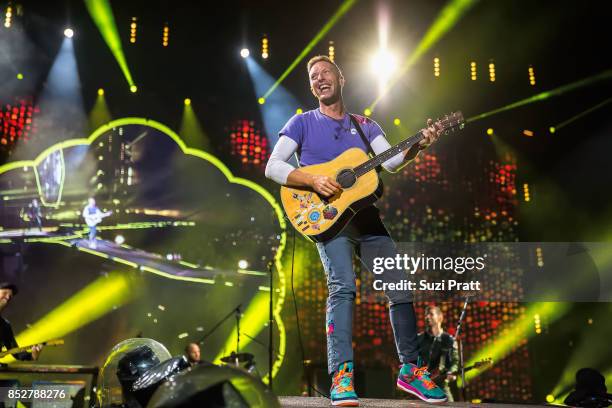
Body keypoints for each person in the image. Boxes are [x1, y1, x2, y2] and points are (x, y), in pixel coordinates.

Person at [265, 55, 445, 406]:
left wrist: (420, 143)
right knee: (343, 289)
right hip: (327, 217)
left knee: (399, 285)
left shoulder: (365, 125)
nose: (319, 79)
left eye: (325, 73)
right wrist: (314, 178)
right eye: (313, 76)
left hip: (365, 218)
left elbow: (390, 162)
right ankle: (342, 375)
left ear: (341, 78)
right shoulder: (301, 123)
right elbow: (273, 166)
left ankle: (411, 370)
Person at [418, 305, 459, 401]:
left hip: (440, 385)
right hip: (421, 387)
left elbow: (455, 361)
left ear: (440, 317)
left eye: (431, 314)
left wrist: (451, 372)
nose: (427, 317)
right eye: (426, 315)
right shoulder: (419, 339)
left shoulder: (449, 340)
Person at [0, 282, 43, 361]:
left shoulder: (5, 326)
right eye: (4, 293)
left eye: (10, 297)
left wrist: (32, 356)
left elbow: (16, 351)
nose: (7, 298)